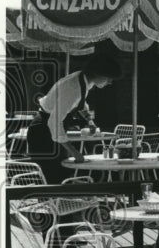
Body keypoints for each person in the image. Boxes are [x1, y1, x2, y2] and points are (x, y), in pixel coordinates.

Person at [26, 55, 122, 183]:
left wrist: (89, 120)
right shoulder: (73, 87)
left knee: (61, 176)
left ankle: (56, 202)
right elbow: (54, 122)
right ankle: (53, 202)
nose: (110, 82)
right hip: (42, 131)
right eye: (109, 78)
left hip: (48, 128)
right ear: (97, 73)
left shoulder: (83, 81)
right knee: (53, 178)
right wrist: (74, 151)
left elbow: (79, 103)